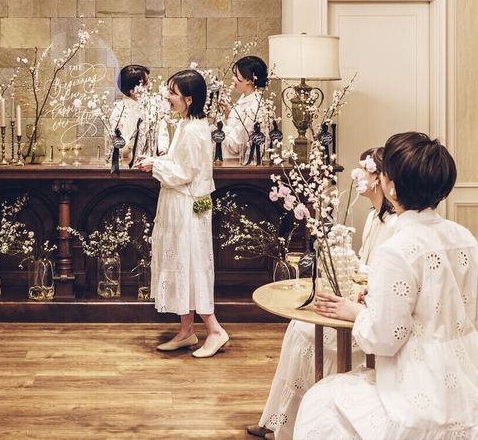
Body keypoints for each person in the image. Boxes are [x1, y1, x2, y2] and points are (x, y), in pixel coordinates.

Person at [294, 132, 478, 440]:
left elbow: (383, 340)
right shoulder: (464, 237)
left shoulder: (396, 250)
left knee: (321, 400)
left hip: (419, 389)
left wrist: (356, 312)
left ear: (391, 186)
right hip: (469, 383)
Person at [248, 146, 398, 440]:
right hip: (358, 297)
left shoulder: (394, 225)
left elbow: (380, 276)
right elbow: (362, 265)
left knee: (305, 331)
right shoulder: (372, 218)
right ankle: (281, 418)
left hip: (371, 311)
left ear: (378, 178)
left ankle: (303, 419)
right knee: (299, 326)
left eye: (363, 169)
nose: (357, 175)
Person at [136, 69, 228, 358]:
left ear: (189, 99)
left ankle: (215, 330)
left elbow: (184, 172)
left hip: (187, 207)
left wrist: (154, 165)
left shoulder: (195, 129)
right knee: (181, 264)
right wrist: (157, 160)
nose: (167, 97)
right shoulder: (188, 124)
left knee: (192, 264)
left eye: (172, 93)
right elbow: (180, 162)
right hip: (179, 205)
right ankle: (186, 330)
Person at [109, 64, 169, 166]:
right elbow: (115, 137)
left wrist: (162, 148)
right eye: (146, 83)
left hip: (151, 162)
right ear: (133, 91)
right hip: (126, 162)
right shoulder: (120, 109)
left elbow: (162, 130)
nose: (150, 85)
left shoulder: (154, 105)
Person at [220, 56, 268, 161]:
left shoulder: (254, 108)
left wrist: (219, 128)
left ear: (249, 80)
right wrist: (228, 114)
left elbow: (236, 145)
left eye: (236, 75)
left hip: (237, 164)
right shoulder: (245, 98)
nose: (233, 79)